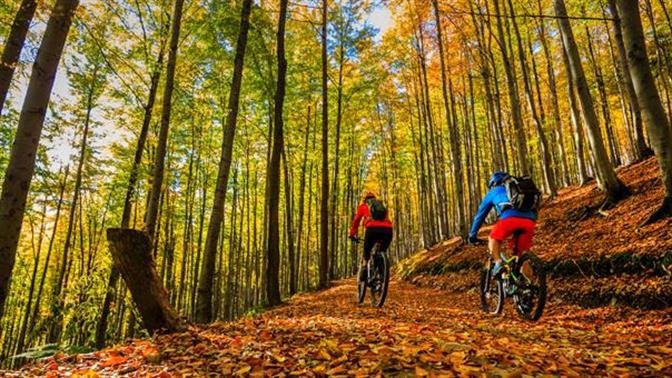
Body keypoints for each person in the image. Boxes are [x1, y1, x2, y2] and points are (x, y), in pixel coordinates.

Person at [468, 172, 537, 276]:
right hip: (529, 222)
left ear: (493, 184)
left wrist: (472, 236)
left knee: (493, 238)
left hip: (509, 219)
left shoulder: (493, 192)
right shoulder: (517, 189)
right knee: (522, 256)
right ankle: (528, 287)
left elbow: (480, 216)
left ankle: (498, 263)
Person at [349, 191, 393, 273]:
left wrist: (352, 234)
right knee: (381, 250)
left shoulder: (364, 206)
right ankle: (381, 270)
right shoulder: (381, 206)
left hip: (372, 229)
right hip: (388, 230)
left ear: (365, 199)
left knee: (367, 250)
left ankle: (365, 266)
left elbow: (356, 220)